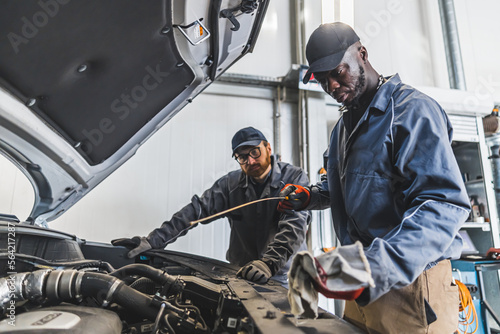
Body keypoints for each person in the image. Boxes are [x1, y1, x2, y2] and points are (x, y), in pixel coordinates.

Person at [279, 22, 470, 333]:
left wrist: (372, 267)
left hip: (409, 283)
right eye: (323, 80)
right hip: (359, 280)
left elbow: (443, 205)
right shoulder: (342, 129)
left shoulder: (411, 112)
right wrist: (311, 196)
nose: (331, 85)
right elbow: (343, 187)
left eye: (337, 72)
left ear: (362, 54)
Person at [112, 126, 311, 284]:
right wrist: (153, 241)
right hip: (244, 275)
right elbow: (195, 212)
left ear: (267, 148)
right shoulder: (230, 185)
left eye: (254, 152)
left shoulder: (294, 178)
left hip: (286, 276)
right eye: (242, 157)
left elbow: (294, 225)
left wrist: (269, 264)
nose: (250, 161)